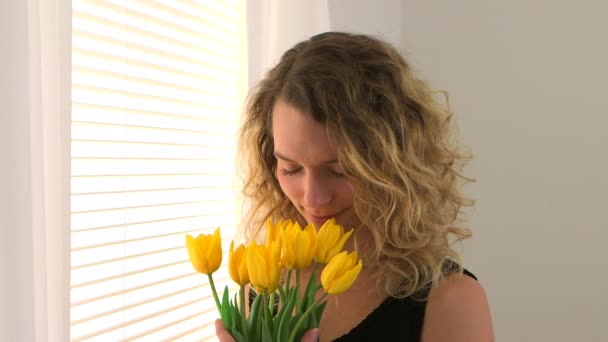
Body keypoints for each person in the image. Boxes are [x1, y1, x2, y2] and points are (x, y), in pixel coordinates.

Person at [216, 31, 494, 341]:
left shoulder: (449, 302)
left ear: (393, 167)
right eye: (290, 168)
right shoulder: (261, 284)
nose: (313, 198)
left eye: (340, 170)